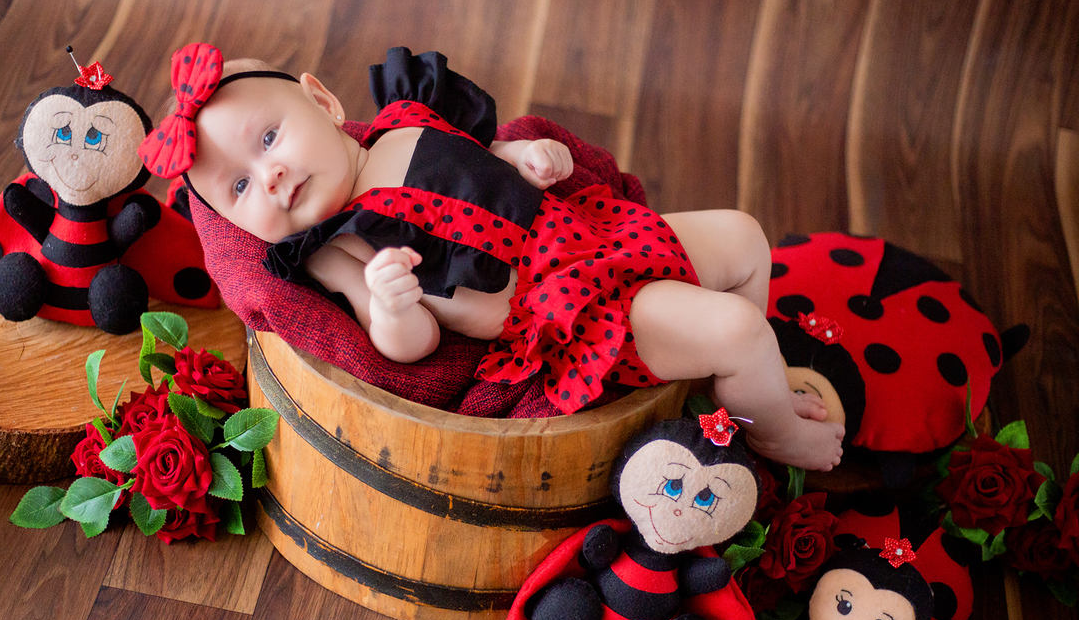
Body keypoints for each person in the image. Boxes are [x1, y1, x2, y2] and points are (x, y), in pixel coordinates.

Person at [139, 44, 844, 471]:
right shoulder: (337, 249)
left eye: (267, 139)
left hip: (592, 234)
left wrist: (523, 157)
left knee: (747, 238)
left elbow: (482, 163)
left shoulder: (403, 120)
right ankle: (771, 434)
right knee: (735, 328)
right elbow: (406, 351)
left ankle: (748, 392)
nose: (268, 176)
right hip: (570, 314)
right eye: (238, 187)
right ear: (238, 223)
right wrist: (391, 304)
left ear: (322, 102)